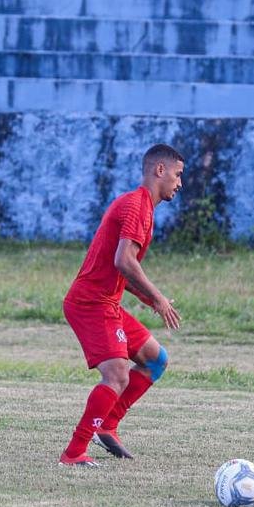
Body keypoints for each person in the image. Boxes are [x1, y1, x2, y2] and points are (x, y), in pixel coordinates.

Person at [58, 144, 185, 467]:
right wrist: (157, 298)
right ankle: (74, 453)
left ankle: (107, 425)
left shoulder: (143, 208)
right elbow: (124, 261)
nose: (180, 183)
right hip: (90, 303)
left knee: (155, 360)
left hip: (107, 303)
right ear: (160, 170)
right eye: (178, 174)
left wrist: (149, 299)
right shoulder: (135, 206)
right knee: (117, 375)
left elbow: (120, 269)